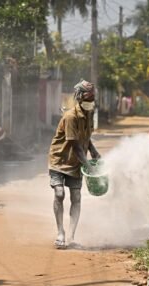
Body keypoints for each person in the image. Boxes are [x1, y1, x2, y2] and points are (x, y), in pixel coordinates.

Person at [48, 80, 100, 249]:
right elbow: (75, 144)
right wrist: (88, 164)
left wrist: (93, 149)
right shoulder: (70, 117)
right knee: (60, 193)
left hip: (76, 163)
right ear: (79, 97)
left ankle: (71, 236)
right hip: (60, 160)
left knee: (76, 197)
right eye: (87, 97)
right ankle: (60, 233)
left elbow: (85, 136)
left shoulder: (89, 114)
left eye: (92, 97)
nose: (91, 100)